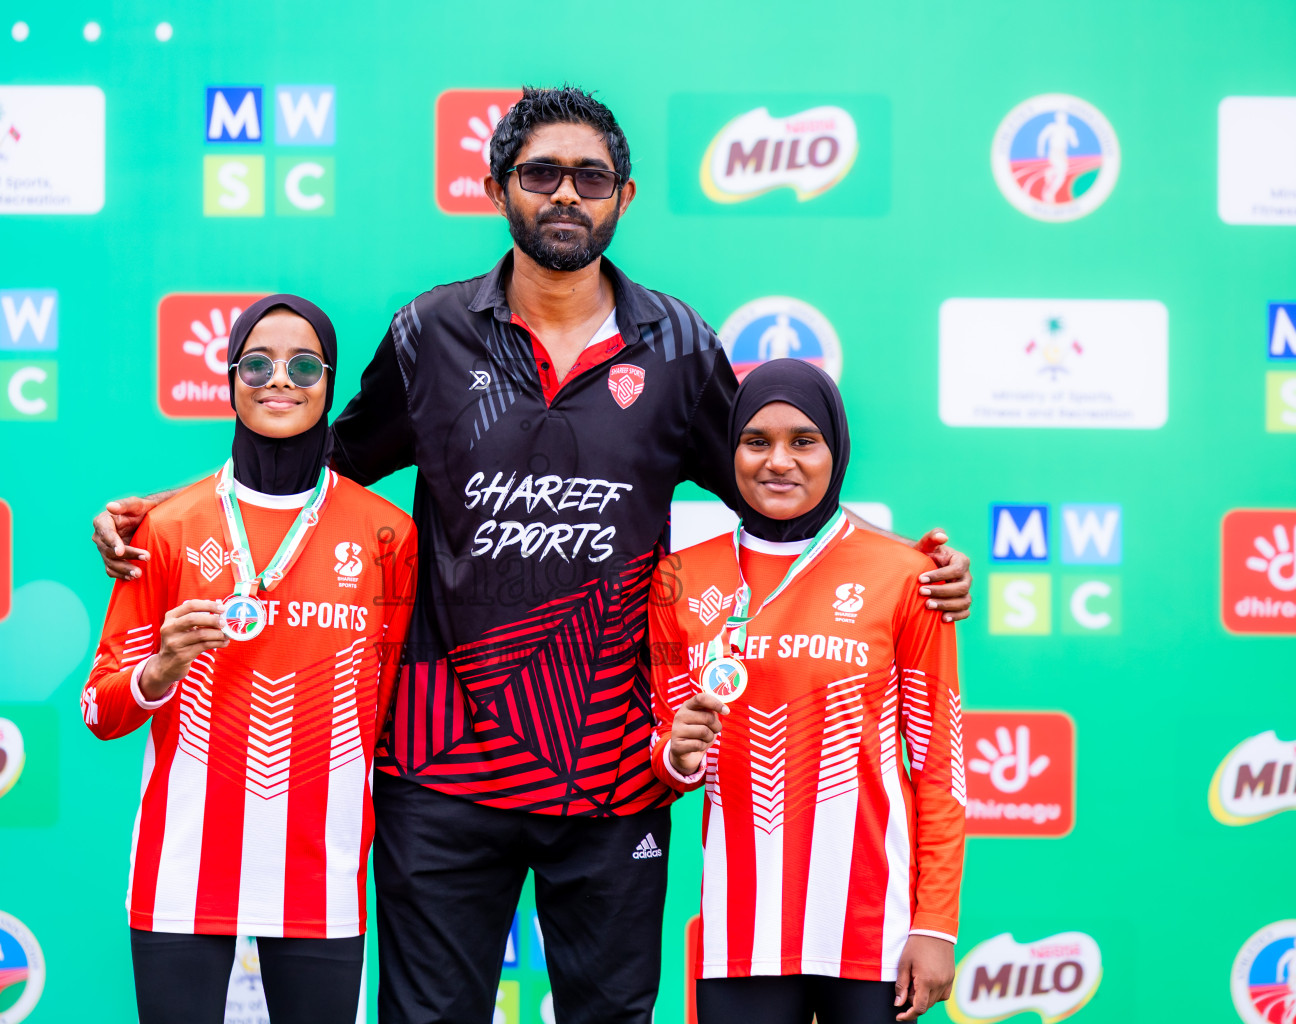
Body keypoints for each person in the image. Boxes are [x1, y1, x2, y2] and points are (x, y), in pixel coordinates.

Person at [91, 87, 972, 1024]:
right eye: (540, 174)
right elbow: (322, 459)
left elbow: (779, 486)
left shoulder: (675, 345)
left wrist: (905, 569)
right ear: (497, 188)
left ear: (624, 196)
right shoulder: (431, 333)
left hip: (615, 767)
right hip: (440, 768)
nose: (565, 195)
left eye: (589, 177)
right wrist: (176, 510)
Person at [81, 295, 417, 1024]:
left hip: (320, 873)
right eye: (257, 363)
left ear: (330, 382)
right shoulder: (169, 527)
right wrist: (158, 672)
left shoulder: (388, 533)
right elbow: (99, 710)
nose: (280, 381)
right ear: (230, 378)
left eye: (304, 365)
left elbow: (390, 706)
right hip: (181, 876)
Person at [648, 358, 964, 1024]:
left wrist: (935, 922)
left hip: (872, 933)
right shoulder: (678, 578)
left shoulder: (908, 576)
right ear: (730, 450)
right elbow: (668, 753)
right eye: (756, 441)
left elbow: (939, 766)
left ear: (835, 449)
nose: (778, 461)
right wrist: (675, 752)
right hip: (740, 935)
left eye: (803, 441)